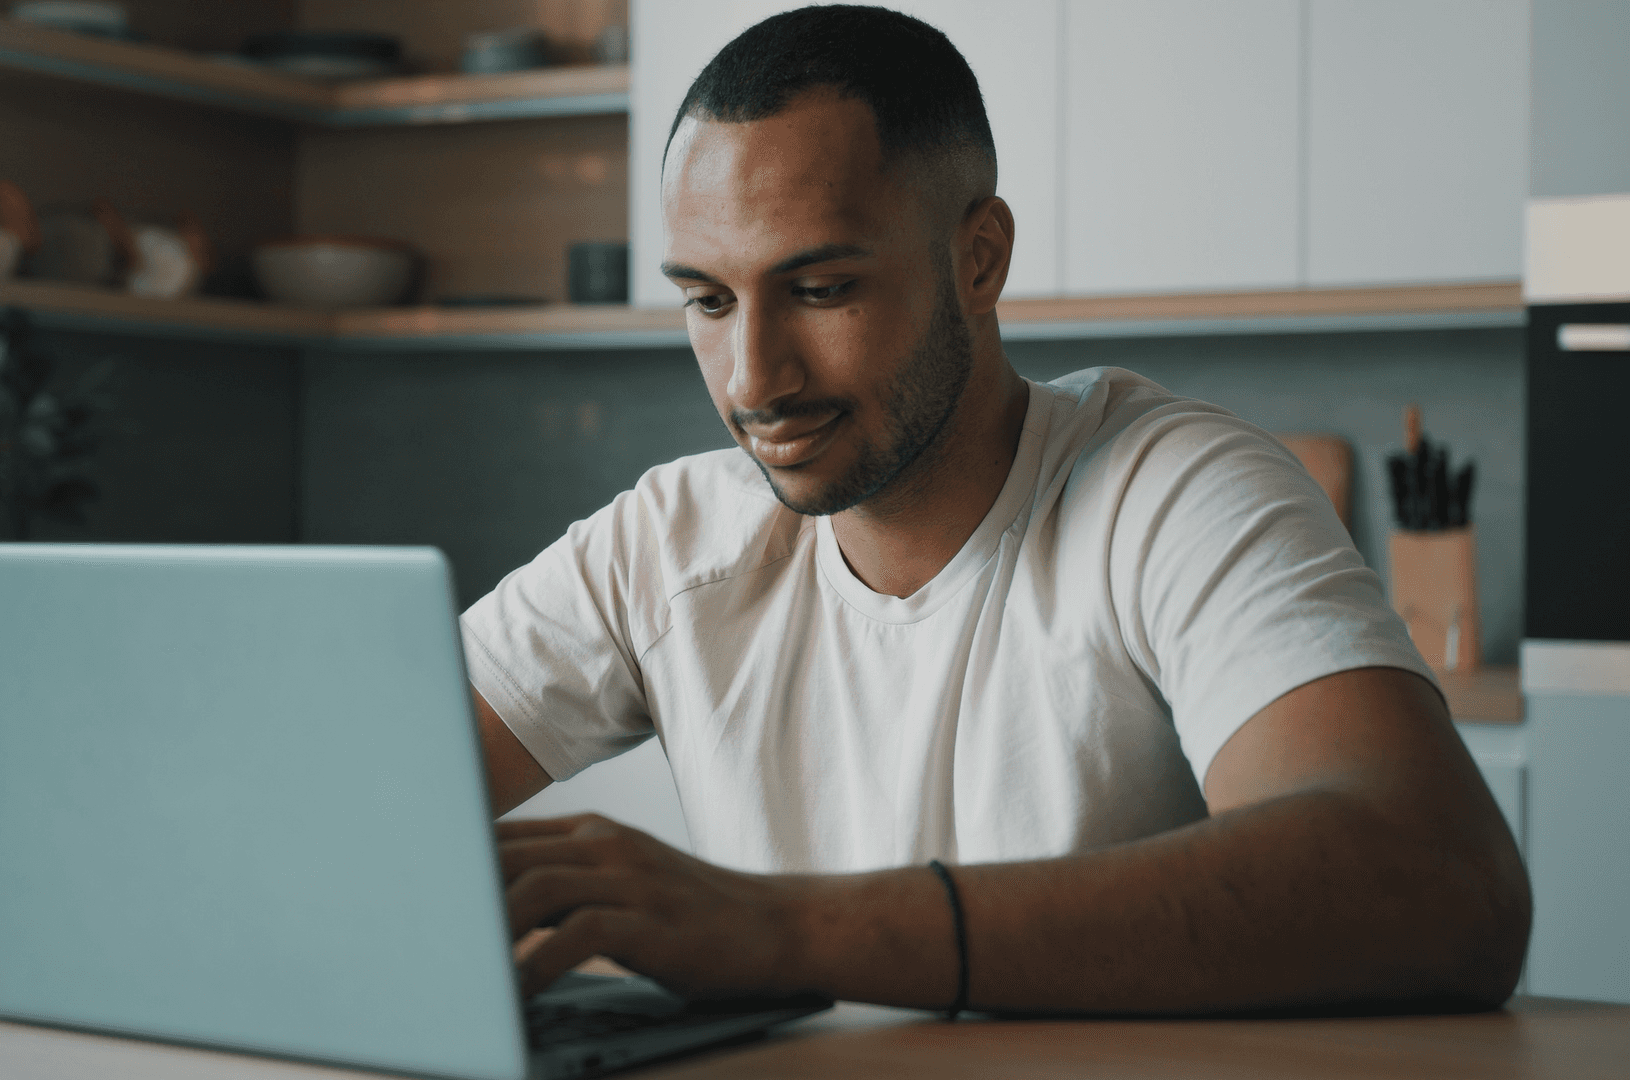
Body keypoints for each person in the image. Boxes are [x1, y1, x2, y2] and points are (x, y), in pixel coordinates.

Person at [463, 5, 1530, 1016]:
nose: (754, 380)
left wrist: (784, 931)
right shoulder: (664, 544)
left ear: (980, 258)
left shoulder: (1174, 492)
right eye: (708, 300)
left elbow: (1439, 880)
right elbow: (346, 785)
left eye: (823, 289)